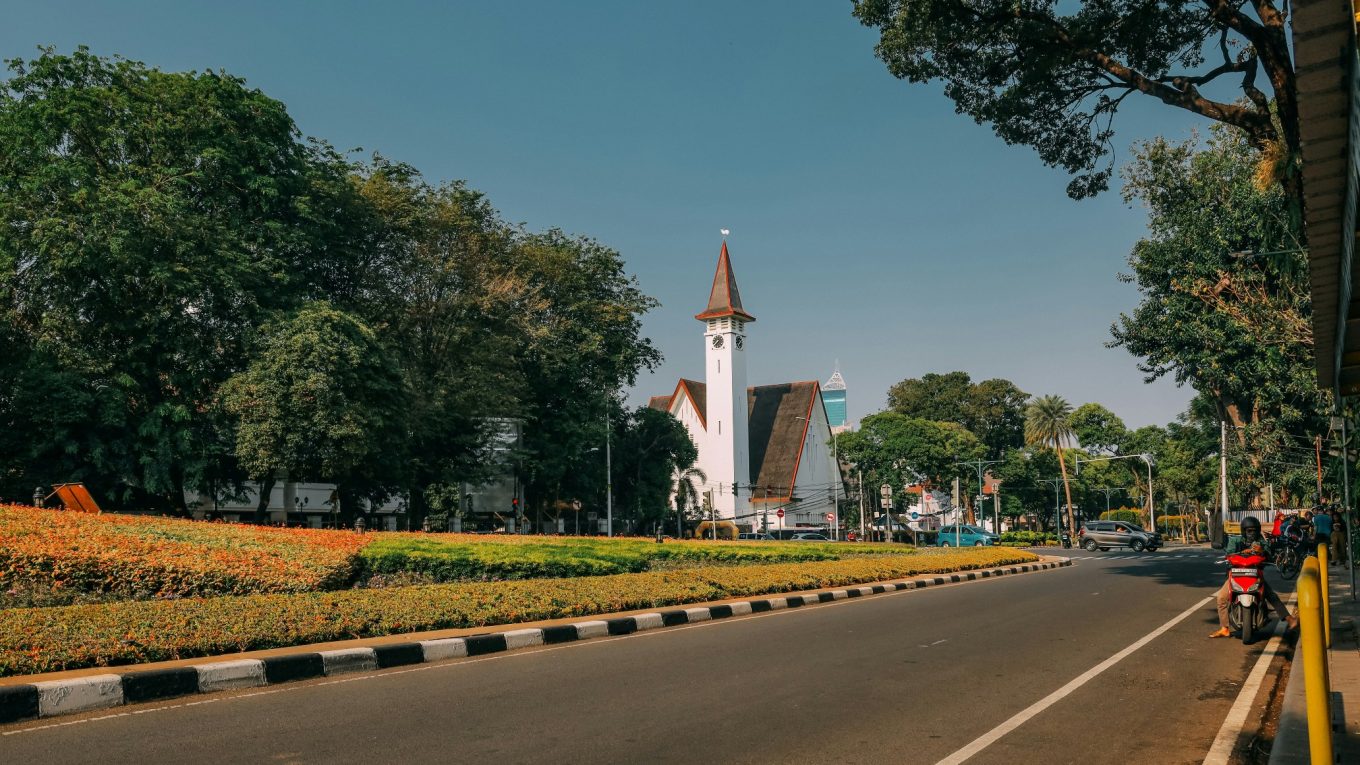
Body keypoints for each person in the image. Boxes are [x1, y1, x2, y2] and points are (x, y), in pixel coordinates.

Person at [1210, 516, 1297, 638]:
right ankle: (1224, 628)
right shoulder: (1235, 541)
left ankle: (1290, 619)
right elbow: (1229, 553)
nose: (1252, 533)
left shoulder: (1261, 541)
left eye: (1254, 530)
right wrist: (1240, 553)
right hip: (1236, 574)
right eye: (1249, 530)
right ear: (1243, 531)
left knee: (1271, 596)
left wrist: (1262, 551)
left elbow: (1269, 555)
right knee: (1221, 598)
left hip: (1255, 575)